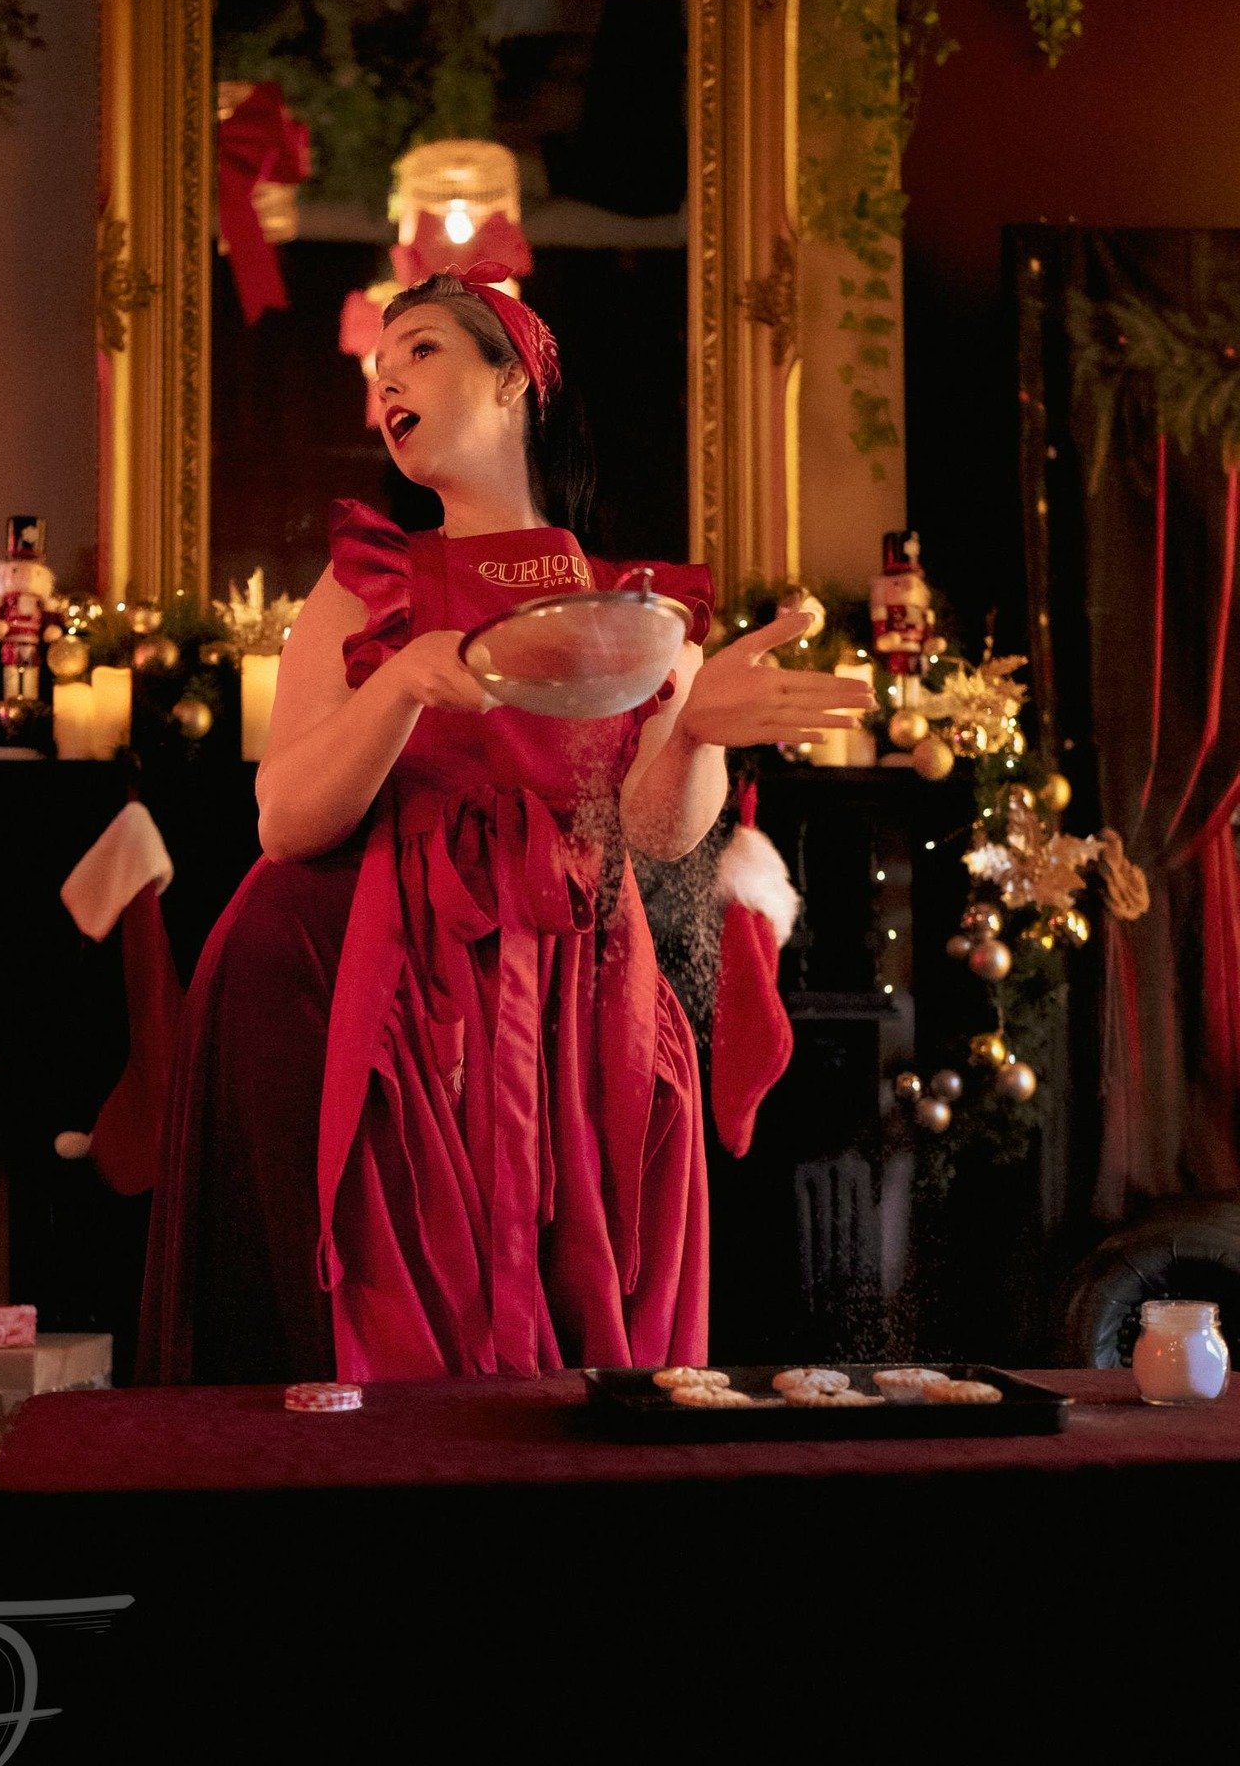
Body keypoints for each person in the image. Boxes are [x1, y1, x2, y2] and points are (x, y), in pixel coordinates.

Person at [138, 263, 874, 1383]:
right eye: (379, 366)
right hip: (362, 993)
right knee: (363, 1323)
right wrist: (399, 685)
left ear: (515, 379)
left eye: (421, 350)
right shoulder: (366, 582)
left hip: (574, 1004)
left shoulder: (635, 608)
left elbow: (655, 833)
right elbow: (285, 821)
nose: (387, 379)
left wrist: (695, 731)